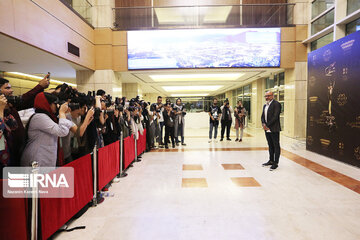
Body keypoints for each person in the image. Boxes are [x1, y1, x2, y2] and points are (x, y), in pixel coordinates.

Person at [0, 75, 50, 166]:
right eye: (7, 88)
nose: (11, 91)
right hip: (5, 160)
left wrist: (41, 87)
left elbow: (25, 99)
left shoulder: (11, 107)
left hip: (18, 154)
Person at [21, 92, 75, 167]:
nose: (57, 106)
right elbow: (62, 131)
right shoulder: (39, 117)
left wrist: (64, 113)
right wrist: (61, 112)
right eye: (55, 103)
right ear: (47, 104)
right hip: (37, 158)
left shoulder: (49, 117)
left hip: (44, 156)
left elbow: (68, 125)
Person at [261, 91, 282, 171]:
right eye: (265, 96)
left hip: (274, 128)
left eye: (268, 96)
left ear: (272, 96)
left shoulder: (276, 104)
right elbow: (262, 116)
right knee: (270, 145)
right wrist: (263, 124)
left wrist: (267, 125)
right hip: (267, 129)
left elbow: (275, 116)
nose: (266, 97)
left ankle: (275, 163)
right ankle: (271, 160)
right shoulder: (265, 105)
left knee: (276, 145)